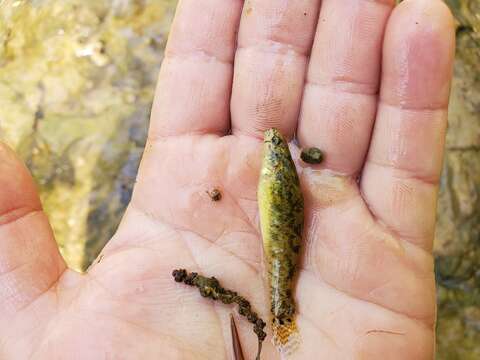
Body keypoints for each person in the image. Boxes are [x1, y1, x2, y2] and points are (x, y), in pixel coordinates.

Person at [0, 0, 455, 358]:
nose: (274, 149)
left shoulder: (278, 169)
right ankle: (282, 312)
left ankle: (282, 311)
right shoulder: (280, 169)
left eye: (276, 152)